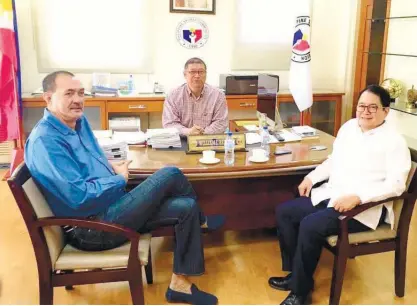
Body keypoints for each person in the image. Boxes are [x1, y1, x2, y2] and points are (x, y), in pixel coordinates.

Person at [25, 71, 225, 305]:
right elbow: (78, 197)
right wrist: (119, 179)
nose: (78, 99)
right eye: (68, 93)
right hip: (90, 228)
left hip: (109, 206)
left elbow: (89, 158)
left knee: (186, 207)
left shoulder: (77, 122)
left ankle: (179, 284)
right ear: (47, 99)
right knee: (171, 174)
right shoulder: (46, 141)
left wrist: (109, 165)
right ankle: (202, 221)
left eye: (80, 93)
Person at [268, 85, 411, 305]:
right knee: (285, 212)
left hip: (362, 209)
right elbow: (333, 161)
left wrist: (359, 198)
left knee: (310, 225)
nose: (365, 112)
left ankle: (301, 292)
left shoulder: (394, 142)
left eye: (373, 107)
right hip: (333, 195)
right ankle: (296, 275)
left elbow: (397, 184)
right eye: (362, 106)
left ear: (385, 111)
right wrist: (311, 178)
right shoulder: (349, 128)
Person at [162, 57, 228, 136]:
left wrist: (203, 133)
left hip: (208, 139)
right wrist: (188, 132)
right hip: (182, 140)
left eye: (201, 72)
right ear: (185, 74)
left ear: (206, 74)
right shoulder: (173, 96)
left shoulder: (218, 95)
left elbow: (221, 123)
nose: (197, 75)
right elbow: (169, 124)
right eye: (192, 72)